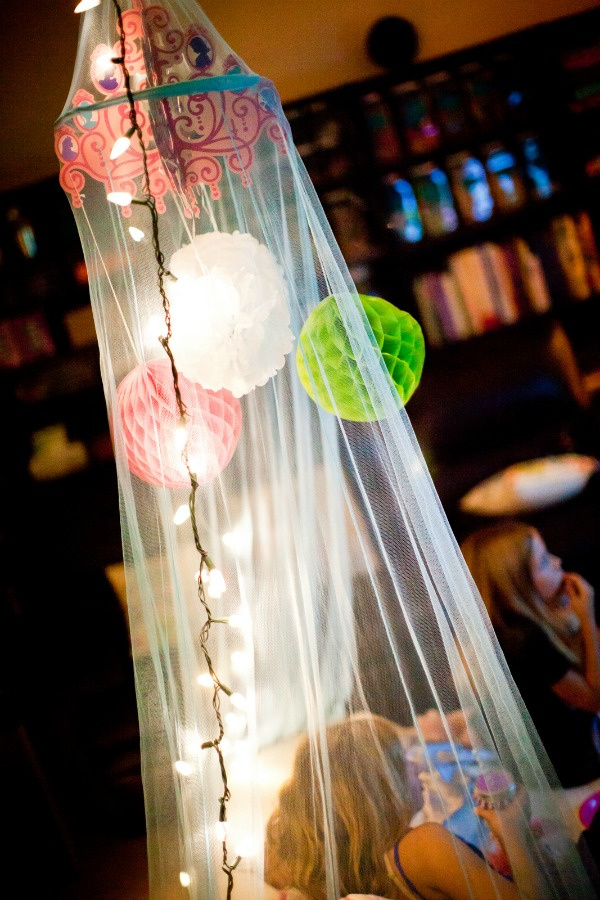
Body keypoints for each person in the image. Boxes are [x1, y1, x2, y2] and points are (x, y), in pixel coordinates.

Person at [265, 713, 548, 899]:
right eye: (403, 761)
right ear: (381, 793)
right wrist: (513, 829)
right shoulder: (424, 846)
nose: (417, 765)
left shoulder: (345, 863)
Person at [461, 521, 600, 788]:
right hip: (570, 764)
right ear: (519, 583)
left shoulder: (508, 623)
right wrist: (587, 619)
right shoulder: (522, 640)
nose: (558, 562)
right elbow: (594, 699)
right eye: (545, 562)